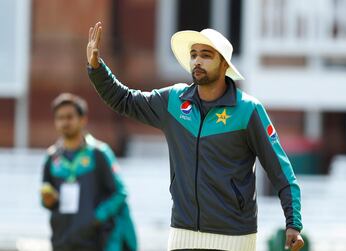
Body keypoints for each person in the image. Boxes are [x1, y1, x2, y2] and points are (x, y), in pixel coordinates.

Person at [86, 22, 304, 251]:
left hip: (235, 238)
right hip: (182, 234)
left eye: (206, 55)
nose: (197, 61)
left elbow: (281, 172)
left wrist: (293, 224)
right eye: (193, 55)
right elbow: (125, 100)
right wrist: (97, 68)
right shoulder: (173, 100)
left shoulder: (248, 110)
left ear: (224, 64)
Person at [41, 93, 137, 251]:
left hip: (96, 241)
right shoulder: (52, 157)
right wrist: (47, 200)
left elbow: (120, 193)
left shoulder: (99, 153)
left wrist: (95, 218)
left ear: (82, 119)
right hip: (62, 240)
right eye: (60, 118)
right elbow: (46, 200)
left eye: (69, 117)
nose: (64, 122)